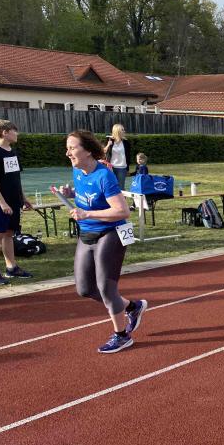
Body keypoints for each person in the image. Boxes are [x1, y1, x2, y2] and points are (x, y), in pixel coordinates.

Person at [64, 129, 147, 354]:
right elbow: (88, 194)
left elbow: (122, 211)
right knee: (85, 289)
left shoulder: (105, 176)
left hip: (112, 233)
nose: (67, 153)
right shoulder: (77, 170)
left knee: (106, 287)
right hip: (87, 234)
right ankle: (132, 306)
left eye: (72, 148)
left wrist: (87, 214)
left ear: (88, 151)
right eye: (67, 148)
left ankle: (122, 336)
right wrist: (70, 193)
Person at [0, 119, 33, 286]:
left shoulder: (13, 152)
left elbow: (16, 178)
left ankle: (11, 267)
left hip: (14, 201)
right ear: (5, 132)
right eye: (14, 131)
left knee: (9, 234)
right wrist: (2, 203)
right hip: (1, 203)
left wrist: (23, 197)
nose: (16, 134)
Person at [104, 124, 132, 191]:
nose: (124, 131)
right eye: (122, 130)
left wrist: (127, 169)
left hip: (122, 168)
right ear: (117, 131)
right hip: (110, 168)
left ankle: (122, 198)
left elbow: (128, 157)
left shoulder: (126, 143)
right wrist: (108, 145)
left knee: (121, 188)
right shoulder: (109, 140)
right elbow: (103, 152)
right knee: (110, 187)